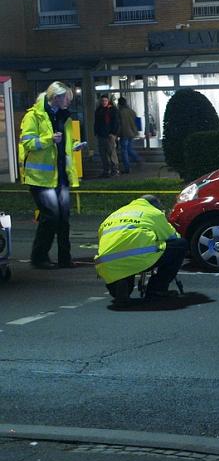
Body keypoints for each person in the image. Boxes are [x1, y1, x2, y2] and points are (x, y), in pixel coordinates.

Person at [18, 81, 80, 269]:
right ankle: (39, 257)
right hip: (40, 177)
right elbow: (28, 143)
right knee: (51, 217)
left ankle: (64, 258)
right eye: (67, 98)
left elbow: (64, 144)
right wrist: (48, 139)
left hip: (60, 175)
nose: (69, 102)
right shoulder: (34, 116)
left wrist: (74, 144)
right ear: (56, 97)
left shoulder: (64, 116)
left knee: (63, 218)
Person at [94, 195, 187, 302]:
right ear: (155, 205)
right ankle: (157, 289)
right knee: (180, 245)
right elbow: (173, 237)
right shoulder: (154, 213)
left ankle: (119, 285)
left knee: (124, 256)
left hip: (107, 263)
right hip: (138, 258)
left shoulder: (114, 215)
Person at [94, 94, 120, 177]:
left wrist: (113, 133)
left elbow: (116, 122)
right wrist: (96, 132)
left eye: (105, 101)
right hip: (101, 135)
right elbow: (96, 122)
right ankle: (106, 170)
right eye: (102, 101)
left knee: (111, 153)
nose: (104, 102)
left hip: (109, 135)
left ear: (108, 101)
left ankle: (115, 170)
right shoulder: (99, 110)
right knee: (103, 154)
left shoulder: (112, 110)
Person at [117, 97, 142, 174]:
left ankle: (127, 168)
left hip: (124, 133)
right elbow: (136, 121)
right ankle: (138, 159)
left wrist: (117, 133)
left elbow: (119, 124)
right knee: (129, 149)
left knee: (124, 151)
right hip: (131, 133)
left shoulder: (120, 112)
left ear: (119, 104)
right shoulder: (131, 111)